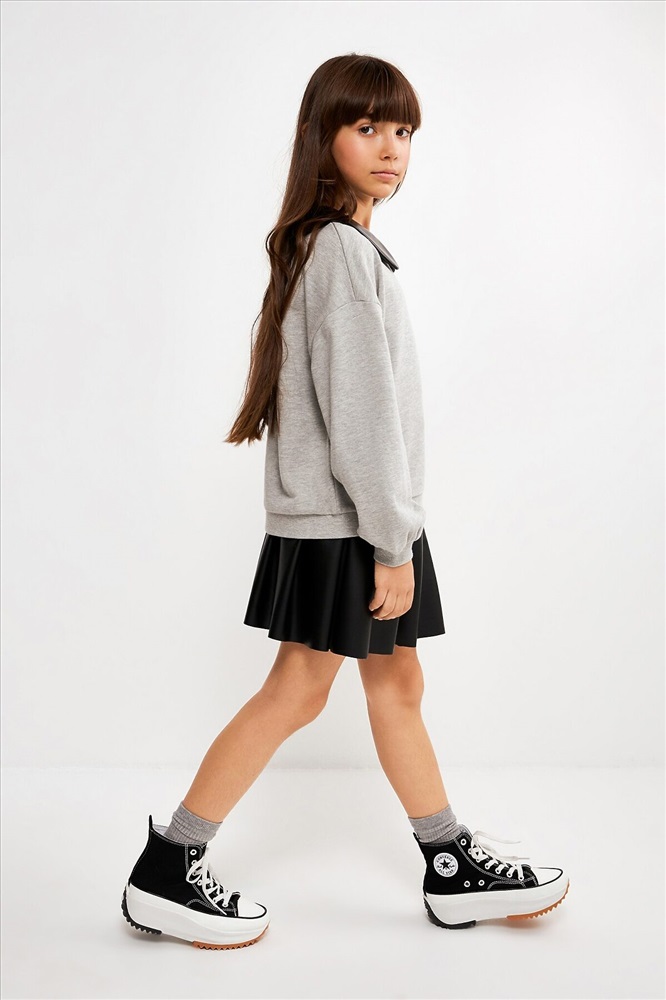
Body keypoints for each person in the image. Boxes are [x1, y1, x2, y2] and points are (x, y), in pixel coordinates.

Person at [121, 53, 570, 950]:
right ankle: (169, 865)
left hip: (360, 517)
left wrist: (394, 530)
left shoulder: (339, 249)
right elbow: (360, 415)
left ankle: (449, 864)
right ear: (321, 138)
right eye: (368, 128)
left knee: (396, 683)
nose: (392, 148)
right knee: (296, 691)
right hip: (353, 524)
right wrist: (394, 542)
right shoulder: (336, 250)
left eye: (403, 130)